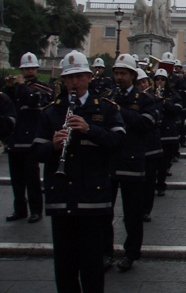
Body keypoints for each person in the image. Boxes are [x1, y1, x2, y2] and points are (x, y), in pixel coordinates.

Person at [32, 51, 125, 293]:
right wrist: (52, 146)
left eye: (79, 77)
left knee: (92, 266)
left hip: (92, 198)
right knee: (65, 267)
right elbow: (36, 152)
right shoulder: (52, 111)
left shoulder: (105, 108)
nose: (74, 82)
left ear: (88, 77)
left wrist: (89, 129)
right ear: (63, 80)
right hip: (61, 197)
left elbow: (118, 143)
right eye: (70, 78)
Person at [102, 54, 157, 272]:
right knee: (105, 211)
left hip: (132, 161)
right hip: (109, 160)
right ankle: (105, 251)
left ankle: (131, 252)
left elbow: (146, 125)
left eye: (123, 74)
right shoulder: (107, 97)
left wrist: (120, 112)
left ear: (132, 76)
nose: (119, 77)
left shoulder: (144, 100)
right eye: (116, 73)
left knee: (132, 214)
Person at [4, 52, 49, 223]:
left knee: (32, 178)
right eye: (26, 69)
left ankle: (36, 210)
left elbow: (32, 101)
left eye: (31, 68)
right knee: (17, 179)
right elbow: (7, 103)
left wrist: (21, 86)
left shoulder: (40, 86)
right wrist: (8, 87)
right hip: (15, 138)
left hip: (30, 139)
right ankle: (20, 209)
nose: (29, 72)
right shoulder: (16, 87)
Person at [134, 69, 162, 223]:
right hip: (135, 147)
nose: (143, 85)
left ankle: (146, 210)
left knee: (150, 181)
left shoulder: (153, 99)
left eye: (144, 82)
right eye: (139, 83)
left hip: (151, 145)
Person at [153, 69, 182, 197]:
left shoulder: (173, 95)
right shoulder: (148, 94)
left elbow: (177, 110)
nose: (160, 82)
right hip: (153, 132)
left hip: (167, 131)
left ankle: (161, 184)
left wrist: (163, 102)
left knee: (164, 161)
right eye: (157, 79)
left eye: (162, 79)